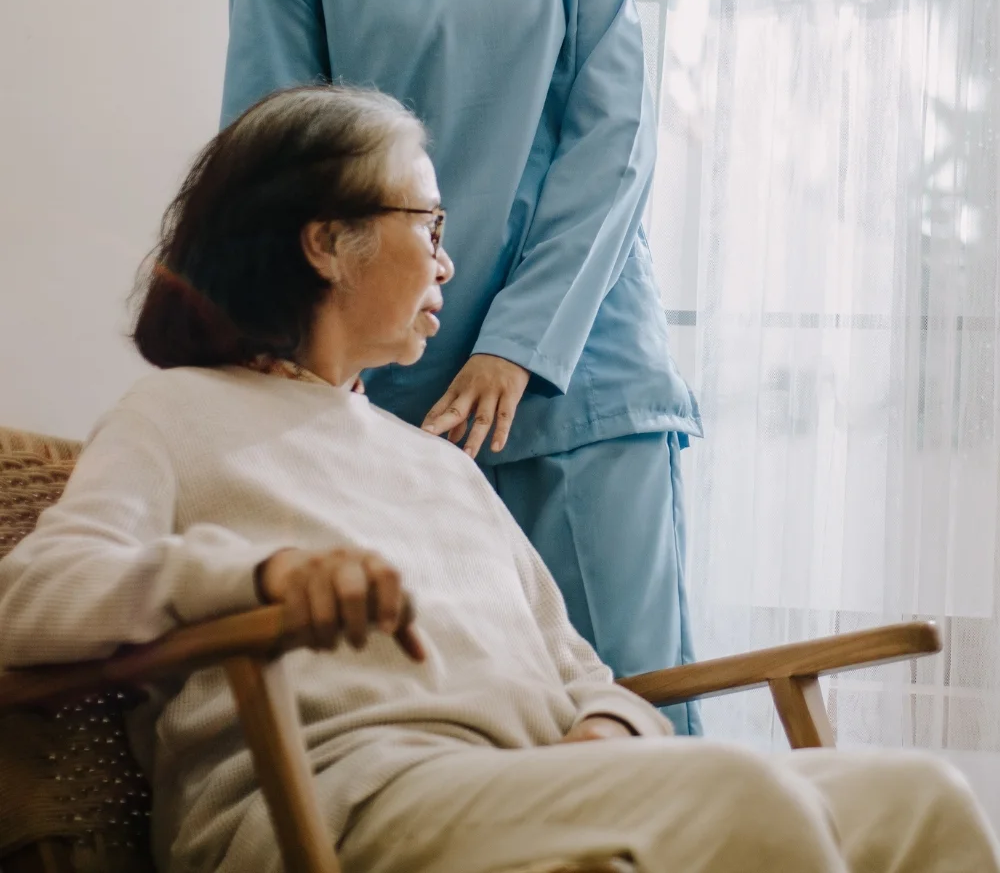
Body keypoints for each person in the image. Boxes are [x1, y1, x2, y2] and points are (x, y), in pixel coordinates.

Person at [0, 85, 995, 873]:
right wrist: (251, 576)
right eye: (427, 223)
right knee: (744, 792)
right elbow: (29, 599)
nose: (447, 258)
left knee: (920, 795)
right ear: (324, 240)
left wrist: (603, 731)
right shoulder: (177, 413)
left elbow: (582, 674)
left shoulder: (436, 464)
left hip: (514, 788)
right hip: (337, 801)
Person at [220, 0, 703, 729]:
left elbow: (614, 141)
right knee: (455, 737)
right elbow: (276, 180)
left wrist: (518, 348)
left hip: (582, 376)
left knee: (645, 719)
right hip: (389, 400)